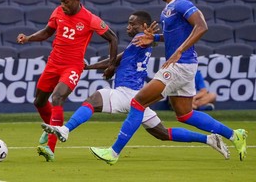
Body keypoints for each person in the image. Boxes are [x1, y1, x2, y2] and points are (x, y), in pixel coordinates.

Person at [89, 0, 248, 165]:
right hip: (185, 66)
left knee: (138, 102)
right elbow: (172, 36)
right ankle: (235, 135)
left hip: (179, 65)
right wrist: (153, 38)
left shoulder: (182, 3)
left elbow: (202, 26)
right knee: (185, 114)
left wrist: (180, 50)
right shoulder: (168, 9)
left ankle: (113, 152)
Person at [41, 10, 229, 159]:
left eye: (132, 23)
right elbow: (115, 61)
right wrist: (89, 66)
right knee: (162, 133)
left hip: (127, 93)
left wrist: (153, 37)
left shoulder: (141, 40)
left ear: (144, 26)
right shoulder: (138, 42)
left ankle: (65, 130)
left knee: (94, 98)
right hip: (137, 96)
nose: (128, 26)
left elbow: (119, 59)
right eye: (128, 23)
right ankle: (209, 139)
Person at [16, 0, 118, 162]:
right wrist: (29, 38)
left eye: (67, 2)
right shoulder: (58, 12)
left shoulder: (90, 19)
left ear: (77, 1)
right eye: (61, 1)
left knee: (57, 97)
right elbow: (48, 32)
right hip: (53, 63)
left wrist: (111, 64)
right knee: (39, 101)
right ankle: (50, 130)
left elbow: (113, 38)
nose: (63, 5)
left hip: (72, 66)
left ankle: (50, 148)